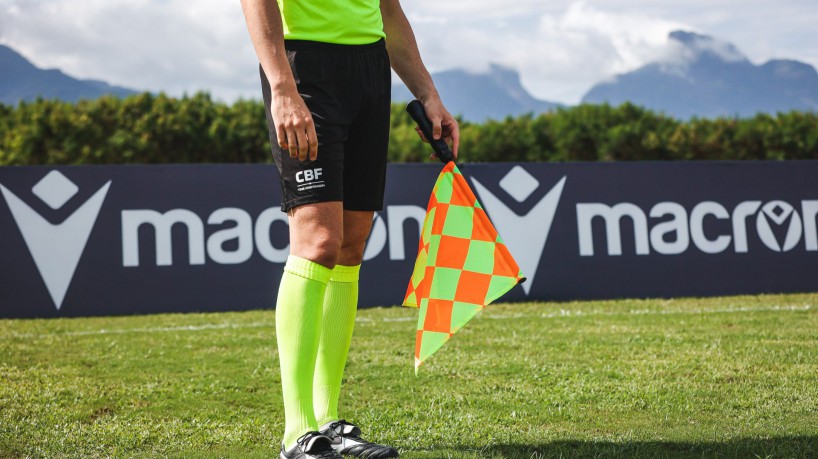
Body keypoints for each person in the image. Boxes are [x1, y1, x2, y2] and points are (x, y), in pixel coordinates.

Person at [239, 0, 460, 458]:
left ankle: (328, 421)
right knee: (318, 242)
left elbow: (388, 10)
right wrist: (282, 86)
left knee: (350, 247)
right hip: (305, 70)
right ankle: (297, 433)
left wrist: (429, 94)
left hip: (370, 71)